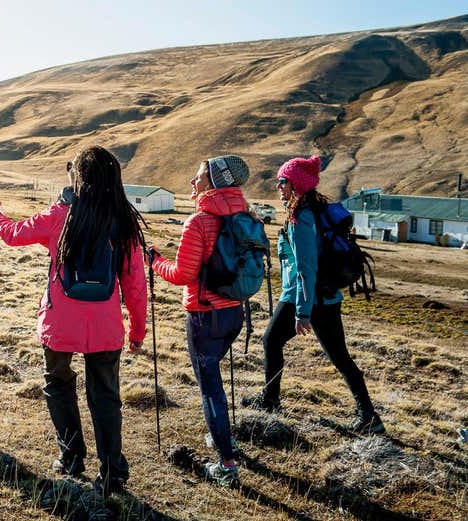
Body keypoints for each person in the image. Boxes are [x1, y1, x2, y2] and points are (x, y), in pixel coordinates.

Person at [0, 146, 147, 494]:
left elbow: (13, 233)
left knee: (58, 386)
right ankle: (112, 472)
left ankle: (71, 457)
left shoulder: (62, 214)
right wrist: (137, 330)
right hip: (105, 328)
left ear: (79, 177)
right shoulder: (124, 221)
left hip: (60, 324)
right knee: (105, 396)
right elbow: (134, 284)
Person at [241, 155, 385, 434]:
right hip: (325, 297)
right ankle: (368, 415)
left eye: (282, 181)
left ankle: (271, 401)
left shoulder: (301, 217)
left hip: (305, 296)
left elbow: (306, 267)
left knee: (271, 340)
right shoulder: (314, 210)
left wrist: (302, 312)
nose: (277, 186)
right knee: (339, 356)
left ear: (295, 184)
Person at [148, 155, 250, 487]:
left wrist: (155, 262)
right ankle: (223, 439)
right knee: (215, 383)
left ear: (214, 183)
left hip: (204, 316)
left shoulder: (199, 222)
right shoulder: (243, 216)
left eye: (198, 177)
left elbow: (182, 275)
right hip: (235, 313)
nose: (193, 182)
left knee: (210, 389)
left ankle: (226, 464)